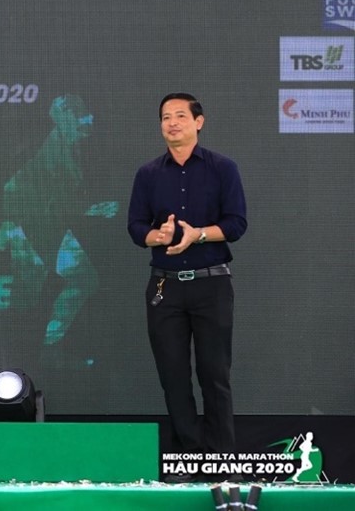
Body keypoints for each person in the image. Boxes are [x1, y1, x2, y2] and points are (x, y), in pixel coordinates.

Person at [127, 93, 247, 468]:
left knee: (214, 375)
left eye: (180, 116)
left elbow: (236, 223)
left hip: (211, 285)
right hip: (165, 287)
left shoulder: (223, 168)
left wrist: (198, 234)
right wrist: (158, 237)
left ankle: (221, 462)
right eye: (166, 117)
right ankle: (188, 459)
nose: (172, 123)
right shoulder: (148, 174)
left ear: (199, 122)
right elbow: (136, 227)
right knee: (173, 376)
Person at [0, 94, 119, 348]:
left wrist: (90, 209)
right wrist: (10, 224)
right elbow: (35, 193)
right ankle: (39, 343)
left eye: (87, 114)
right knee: (36, 292)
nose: (89, 119)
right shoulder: (53, 151)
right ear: (65, 119)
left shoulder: (72, 149)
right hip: (30, 225)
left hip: (43, 224)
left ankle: (47, 341)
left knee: (81, 280)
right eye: (80, 115)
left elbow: (59, 198)